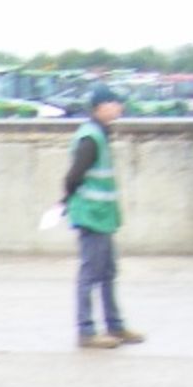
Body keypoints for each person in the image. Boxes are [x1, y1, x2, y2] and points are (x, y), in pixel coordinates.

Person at [63, 86, 146, 350]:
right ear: (100, 107)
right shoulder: (91, 138)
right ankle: (86, 331)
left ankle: (115, 325)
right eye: (114, 103)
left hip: (102, 215)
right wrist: (71, 200)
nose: (119, 107)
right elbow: (73, 176)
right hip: (92, 215)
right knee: (91, 273)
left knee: (108, 272)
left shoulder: (99, 134)